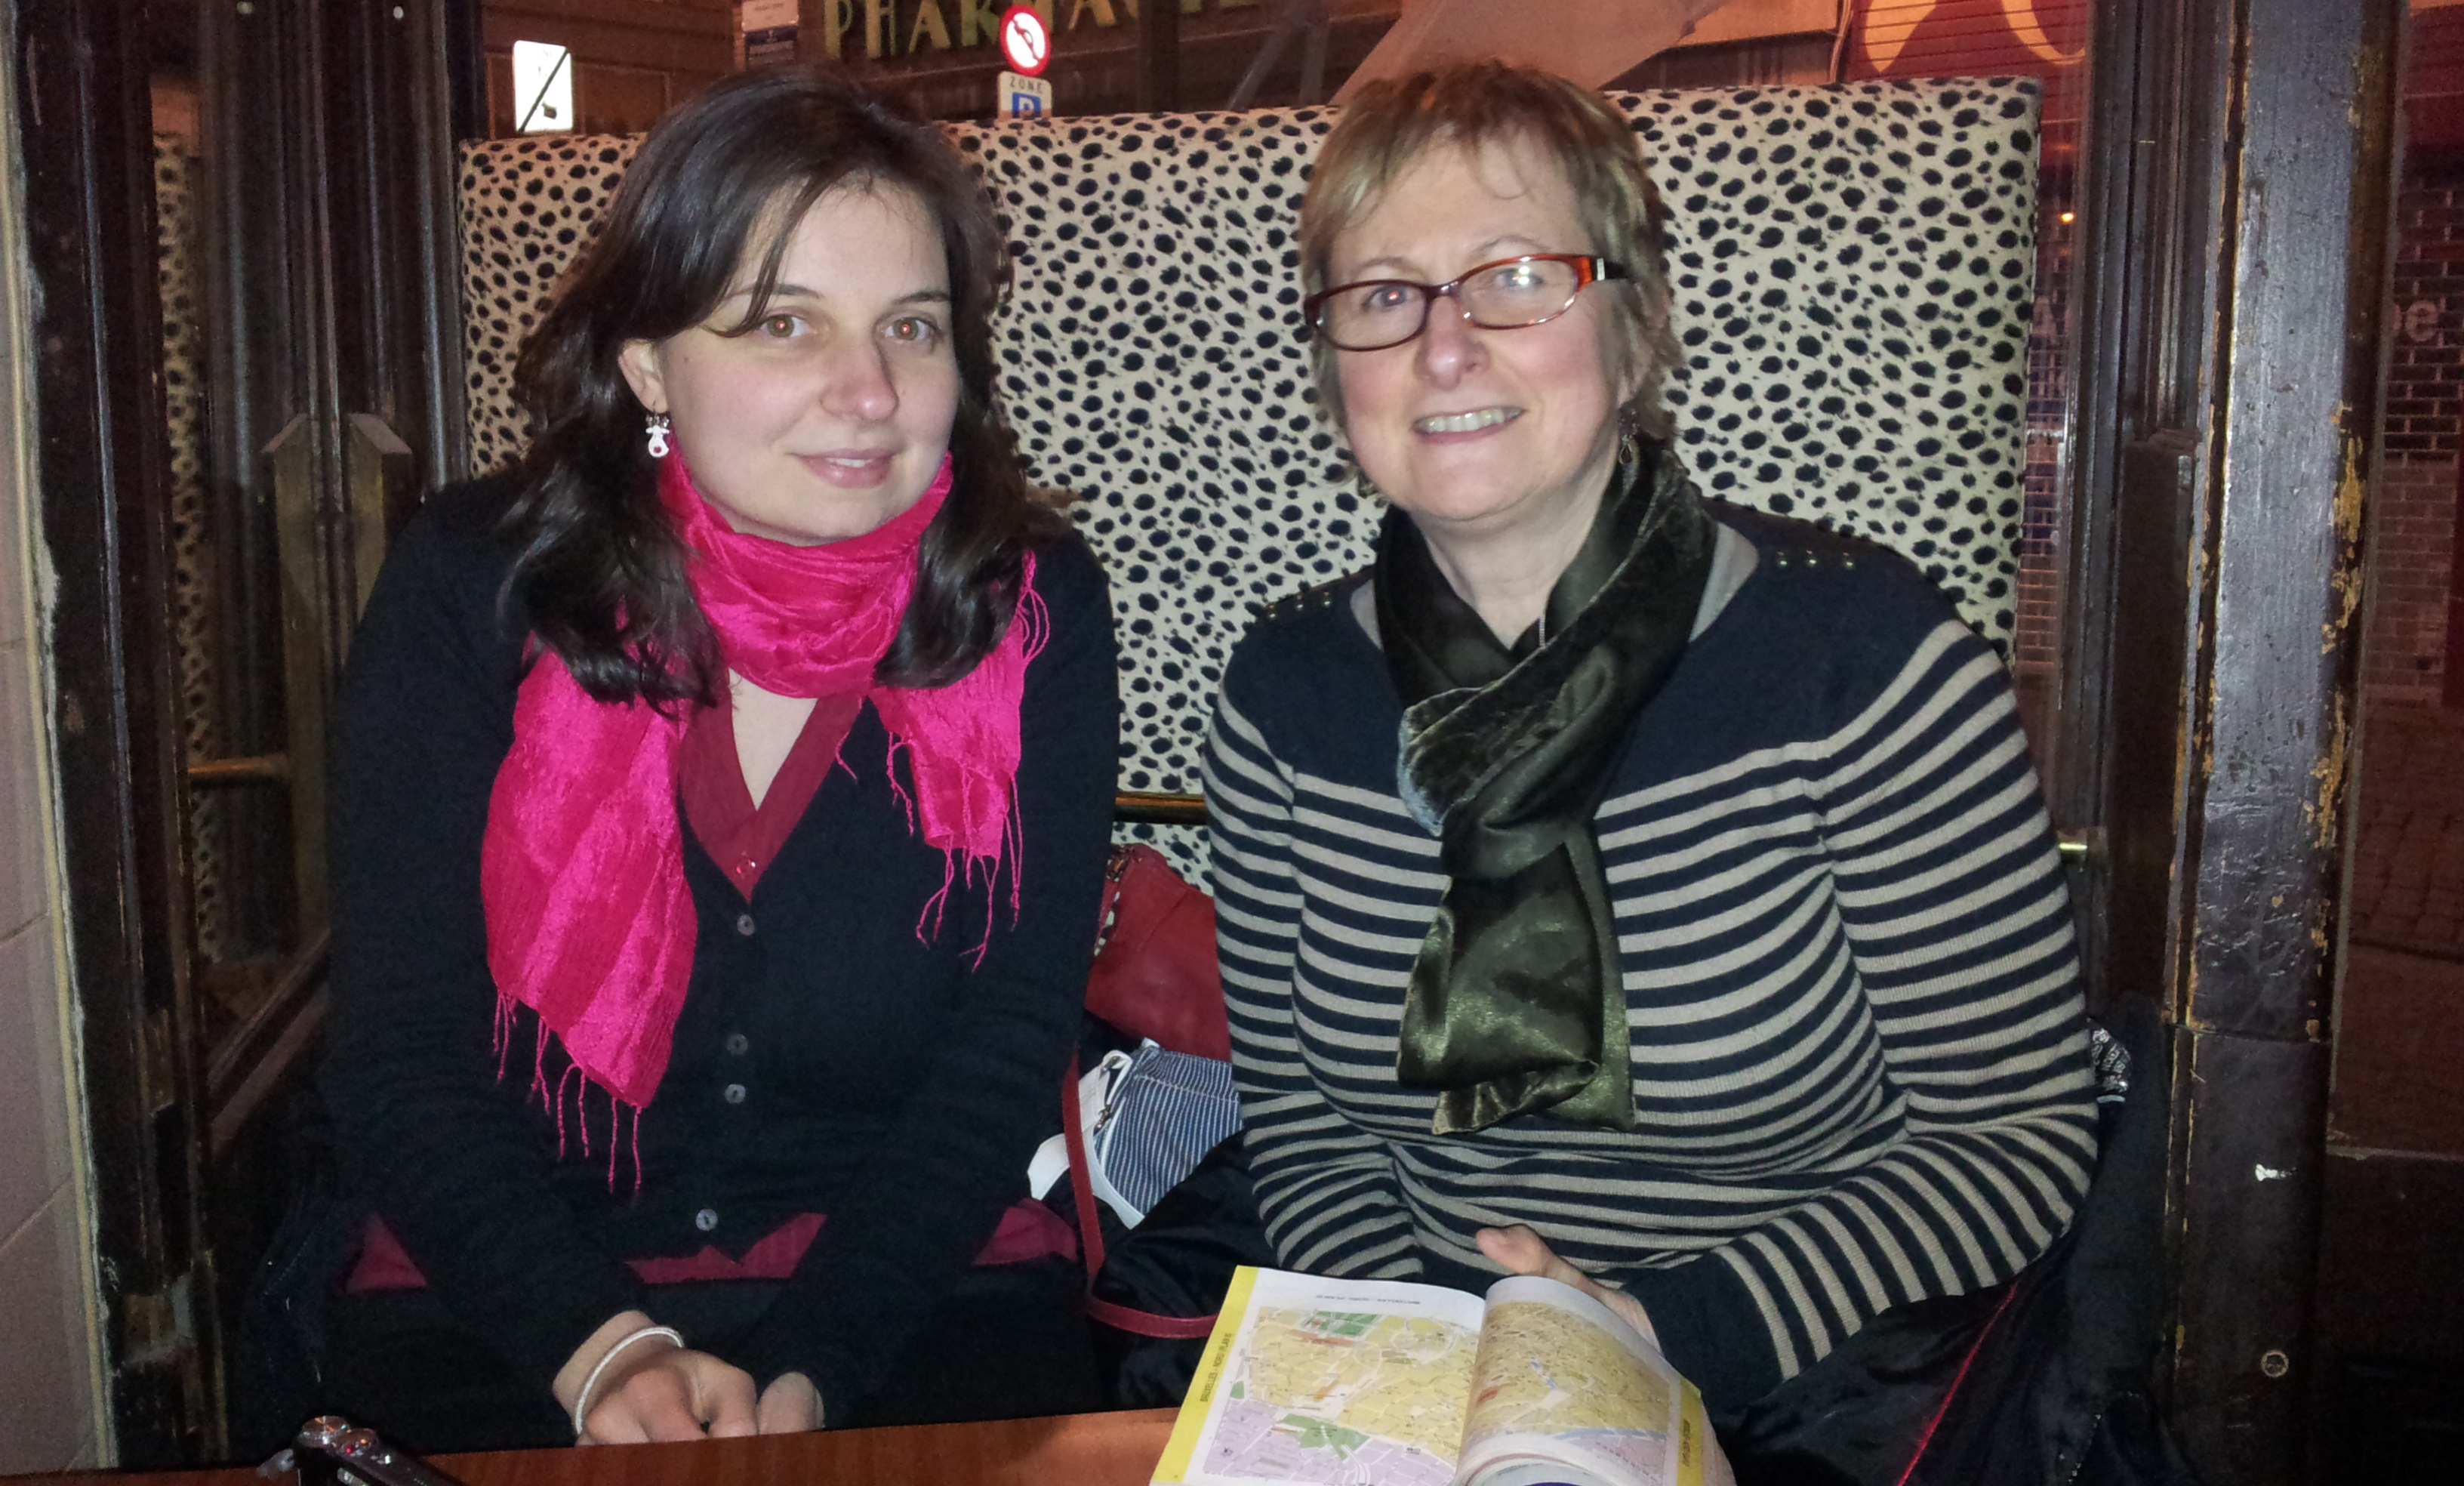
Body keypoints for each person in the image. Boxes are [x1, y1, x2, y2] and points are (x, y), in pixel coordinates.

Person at [1202, 59, 2099, 1437]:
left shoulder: (1858, 659)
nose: (1445, 347)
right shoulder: (1283, 698)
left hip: (1794, 1373)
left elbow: (2014, 1137)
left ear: (1632, 332)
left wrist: (1653, 1337)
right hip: (1426, 1374)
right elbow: (1301, 1126)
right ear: (1334, 367)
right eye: (1384, 295)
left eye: (1515, 277)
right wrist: (1434, 1362)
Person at [315, 66, 1118, 1451]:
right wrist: (601, 1351)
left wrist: (815, 1365)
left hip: (917, 1286)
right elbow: (399, 1047)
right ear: (647, 365)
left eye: (911, 327)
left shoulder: (1027, 602)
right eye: (783, 323)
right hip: (503, 1295)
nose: (869, 392)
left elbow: (1009, 1038)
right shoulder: (474, 584)